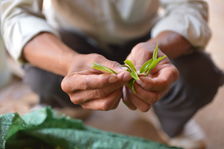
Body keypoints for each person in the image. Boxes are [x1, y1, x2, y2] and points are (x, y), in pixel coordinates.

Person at [0, 0, 223, 148]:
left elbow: (187, 6)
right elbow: (16, 14)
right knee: (42, 76)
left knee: (198, 76)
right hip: (74, 38)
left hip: (147, 36)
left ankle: (169, 118)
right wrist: (68, 62)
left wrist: (157, 47)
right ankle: (69, 105)